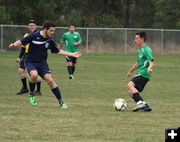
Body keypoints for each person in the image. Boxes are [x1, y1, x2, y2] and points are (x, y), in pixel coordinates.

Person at [9, 20, 81, 108]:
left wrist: (72, 54)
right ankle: (31, 94)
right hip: (30, 62)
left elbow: (57, 51)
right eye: (51, 30)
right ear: (45, 29)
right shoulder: (34, 35)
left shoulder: (50, 40)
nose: (53, 32)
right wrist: (14, 44)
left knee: (50, 80)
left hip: (42, 63)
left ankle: (61, 102)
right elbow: (21, 41)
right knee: (34, 75)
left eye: (54, 31)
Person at [126, 32, 154, 112]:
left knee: (130, 85)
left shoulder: (146, 49)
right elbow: (138, 63)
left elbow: (151, 61)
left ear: (142, 39)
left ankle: (140, 104)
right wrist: (130, 71)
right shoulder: (139, 51)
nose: (135, 40)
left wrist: (149, 68)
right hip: (140, 73)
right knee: (130, 92)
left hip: (144, 73)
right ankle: (146, 106)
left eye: (137, 38)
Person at [16, 19, 42, 95]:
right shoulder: (26, 35)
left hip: (34, 56)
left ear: (36, 26)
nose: (32, 26)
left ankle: (38, 90)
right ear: (28, 26)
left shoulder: (38, 34)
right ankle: (24, 88)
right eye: (30, 25)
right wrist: (19, 57)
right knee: (20, 71)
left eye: (33, 25)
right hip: (26, 55)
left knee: (33, 74)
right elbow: (23, 47)